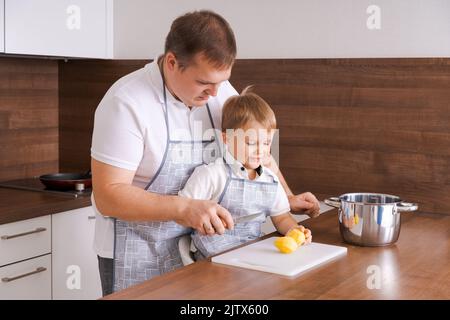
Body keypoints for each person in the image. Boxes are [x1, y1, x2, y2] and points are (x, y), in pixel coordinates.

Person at [91, 10, 320, 296]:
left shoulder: (220, 93)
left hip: (198, 250)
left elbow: (258, 152)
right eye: (204, 83)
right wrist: (185, 208)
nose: (214, 94)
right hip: (135, 251)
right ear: (173, 62)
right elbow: (108, 195)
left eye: (221, 82)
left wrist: (286, 197)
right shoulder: (125, 102)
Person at [178, 88, 312, 261]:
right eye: (251, 142)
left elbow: (282, 218)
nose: (261, 150)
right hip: (213, 260)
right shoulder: (211, 174)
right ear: (226, 139)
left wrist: (295, 231)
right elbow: (183, 210)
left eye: (266, 143)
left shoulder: (270, 180)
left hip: (253, 255)